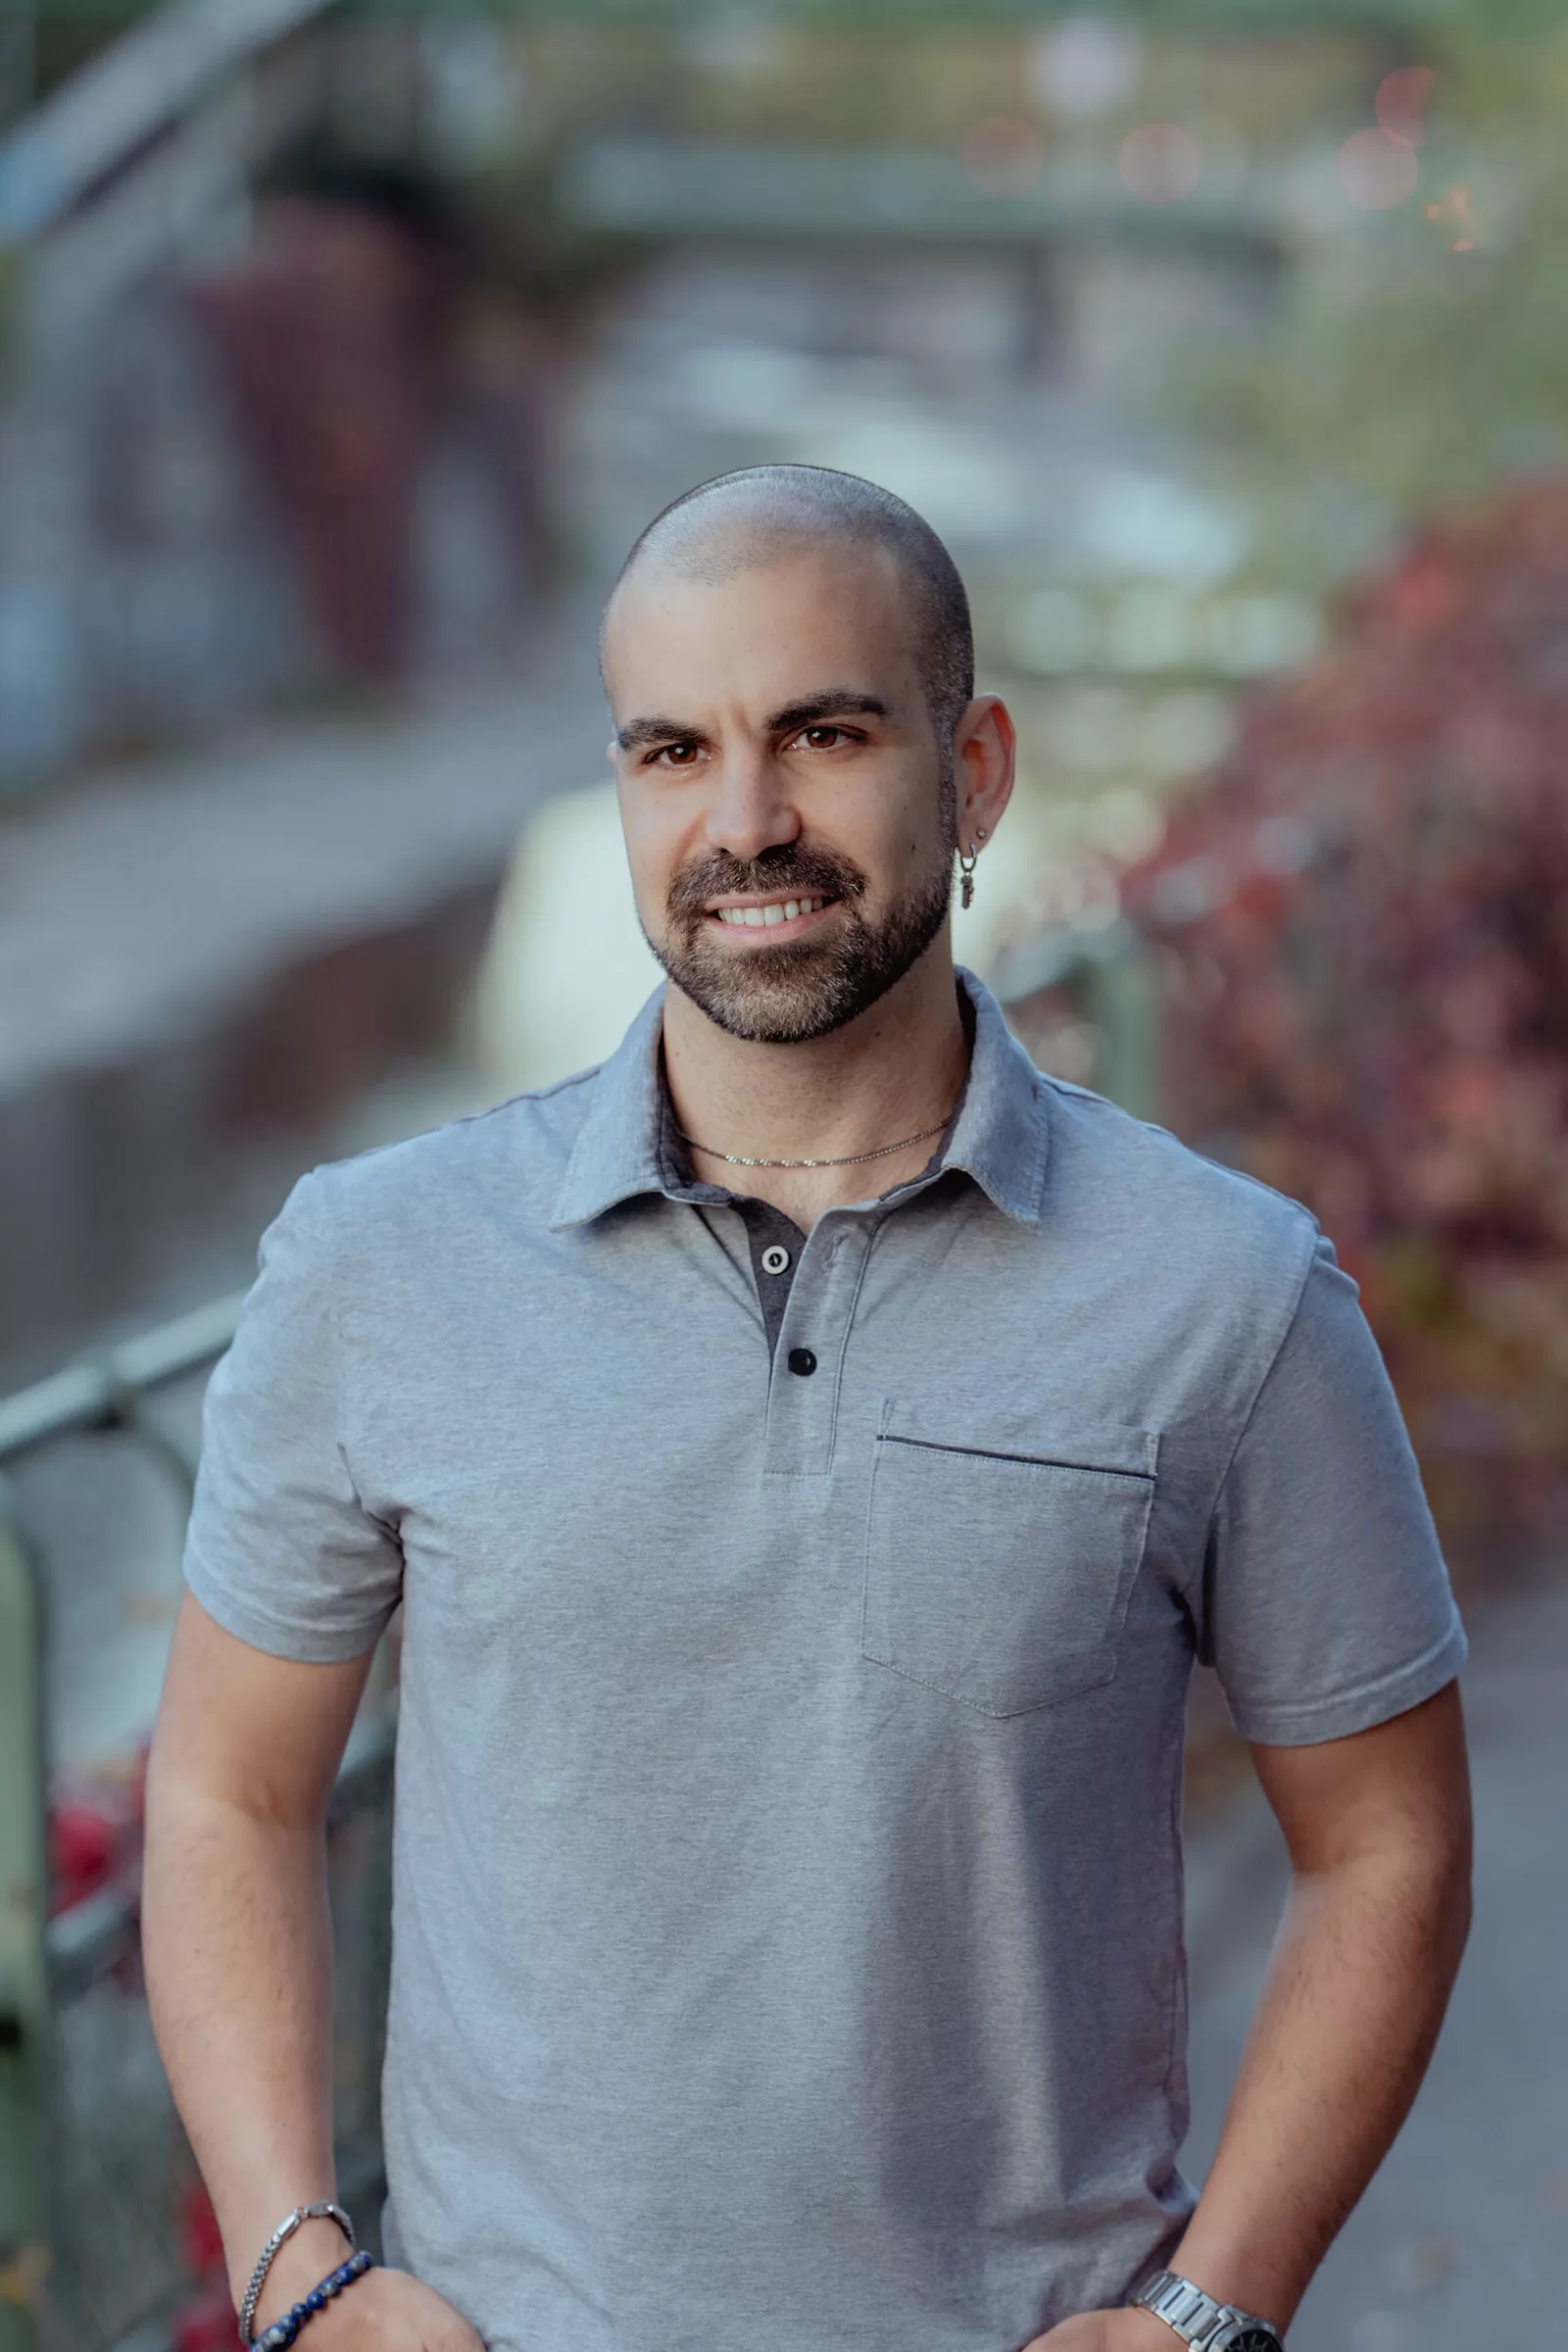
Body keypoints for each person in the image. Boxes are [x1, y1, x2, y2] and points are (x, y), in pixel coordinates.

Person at [143, 466, 1472, 2352]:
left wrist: (1208, 2316)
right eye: (672, 751)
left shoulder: (1228, 1296)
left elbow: (1390, 1843)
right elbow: (224, 1789)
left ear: (978, 768)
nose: (743, 823)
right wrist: (298, 2268)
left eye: (824, 734)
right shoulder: (378, 1267)